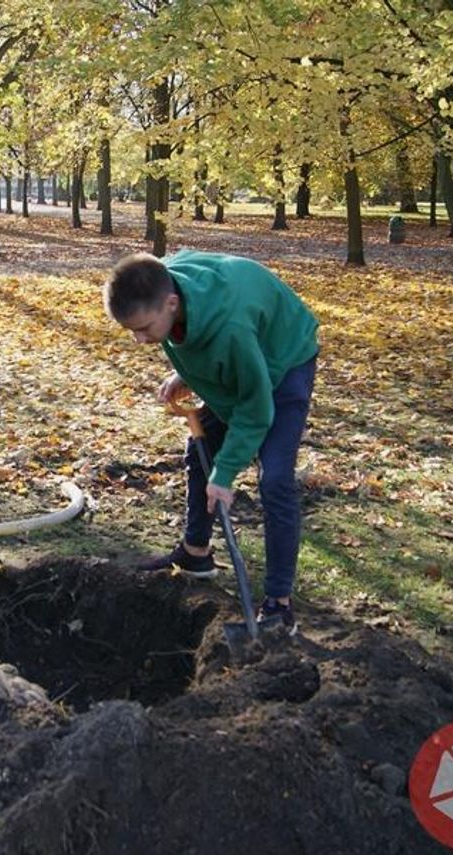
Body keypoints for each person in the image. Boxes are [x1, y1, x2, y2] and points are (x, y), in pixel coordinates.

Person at [103, 250, 319, 635]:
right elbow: (194, 337)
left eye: (146, 329)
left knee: (275, 479)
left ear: (171, 304)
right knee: (199, 448)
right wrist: (183, 372)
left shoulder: (231, 329)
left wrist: (224, 476)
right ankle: (196, 552)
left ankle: (279, 604)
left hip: (284, 357)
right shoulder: (162, 282)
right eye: (131, 331)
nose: (139, 340)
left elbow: (254, 409)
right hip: (245, 352)